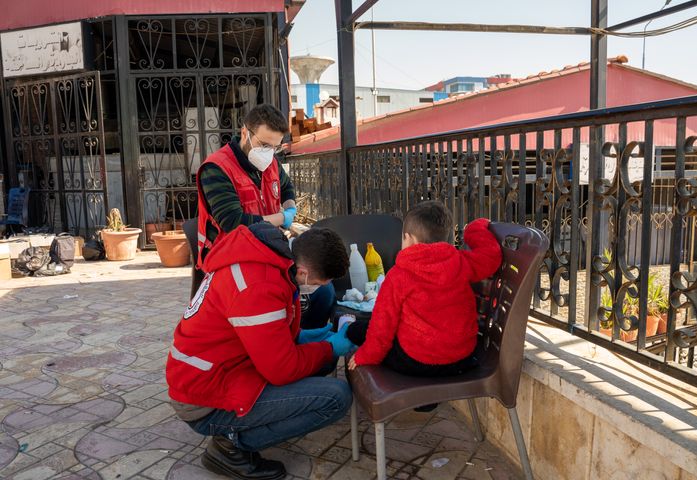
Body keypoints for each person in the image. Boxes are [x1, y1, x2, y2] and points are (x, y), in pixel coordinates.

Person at [166, 223, 354, 480]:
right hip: (203, 397)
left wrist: (310, 337)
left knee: (321, 360)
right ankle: (230, 446)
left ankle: (240, 431)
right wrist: (330, 347)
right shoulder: (258, 285)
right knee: (337, 397)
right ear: (304, 272)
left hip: (221, 370)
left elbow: (266, 332)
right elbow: (281, 370)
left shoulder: (270, 259)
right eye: (322, 282)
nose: (322, 287)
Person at [196, 104, 336, 329]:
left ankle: (305, 343)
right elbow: (233, 223)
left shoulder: (270, 161)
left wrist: (290, 208)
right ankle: (286, 343)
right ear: (245, 133)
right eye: (263, 144)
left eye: (274, 147)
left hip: (268, 249)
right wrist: (283, 218)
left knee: (322, 286)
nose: (268, 152)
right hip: (232, 256)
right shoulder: (216, 168)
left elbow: (287, 187)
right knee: (283, 294)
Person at [347, 201, 502, 379]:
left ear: (408, 238)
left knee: (358, 331)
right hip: (462, 358)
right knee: (371, 330)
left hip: (417, 362)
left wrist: (365, 356)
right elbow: (490, 257)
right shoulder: (460, 262)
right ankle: (427, 401)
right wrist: (475, 229)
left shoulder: (398, 275)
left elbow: (382, 328)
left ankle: (347, 330)